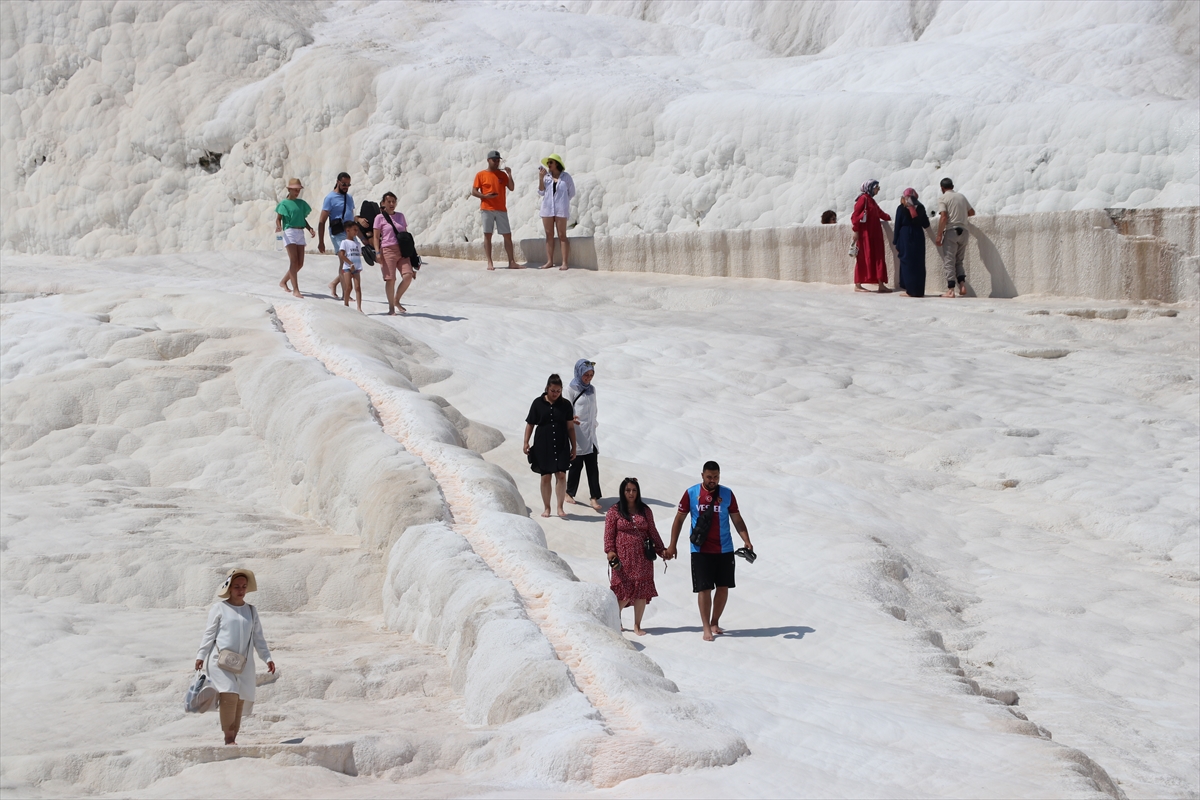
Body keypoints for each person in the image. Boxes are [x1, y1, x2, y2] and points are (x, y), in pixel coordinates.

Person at [665, 461, 753, 642]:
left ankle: (714, 622)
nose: (713, 480)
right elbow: (679, 519)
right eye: (709, 477)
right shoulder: (691, 493)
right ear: (702, 475)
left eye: (716, 477)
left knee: (723, 587)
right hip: (700, 549)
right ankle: (706, 627)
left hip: (724, 548)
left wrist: (746, 540)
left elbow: (736, 519)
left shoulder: (727, 494)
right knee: (704, 588)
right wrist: (672, 544)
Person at [194, 568, 275, 745]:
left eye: (244, 586)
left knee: (240, 698)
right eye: (237, 586)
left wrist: (267, 658)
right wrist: (201, 655)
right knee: (229, 694)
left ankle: (233, 736)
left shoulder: (251, 611)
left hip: (243, 663)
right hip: (219, 661)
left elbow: (258, 638)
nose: (241, 590)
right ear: (229, 587)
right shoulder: (219, 608)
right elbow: (209, 634)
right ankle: (228, 738)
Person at [604, 478, 667, 636]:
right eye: (627, 490)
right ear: (622, 492)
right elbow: (609, 535)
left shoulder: (645, 511)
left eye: (634, 490)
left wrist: (661, 550)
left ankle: (637, 625)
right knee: (623, 591)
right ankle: (615, 622)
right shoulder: (614, 511)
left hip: (643, 557)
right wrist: (610, 552)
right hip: (623, 558)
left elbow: (652, 531)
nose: (631, 493)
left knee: (641, 591)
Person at [523, 374, 576, 518]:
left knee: (561, 475)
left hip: (561, 444)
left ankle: (560, 507)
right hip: (543, 444)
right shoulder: (537, 403)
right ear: (547, 388)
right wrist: (526, 442)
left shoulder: (566, 405)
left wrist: (574, 447)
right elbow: (530, 424)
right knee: (545, 476)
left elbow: (570, 427)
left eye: (558, 391)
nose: (555, 394)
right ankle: (547, 508)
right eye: (553, 390)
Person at [472, 150, 518, 271]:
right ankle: (489, 262)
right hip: (487, 209)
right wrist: (485, 196)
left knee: (507, 235)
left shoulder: (502, 175)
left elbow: (512, 188)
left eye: (498, 160)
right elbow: (474, 191)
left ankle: (512, 262)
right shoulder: (480, 175)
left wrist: (509, 174)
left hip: (501, 209)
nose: (497, 162)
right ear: (488, 160)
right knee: (488, 235)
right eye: (494, 160)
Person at [565, 358, 601, 511]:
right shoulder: (570, 389)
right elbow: (565, 409)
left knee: (593, 466)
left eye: (591, 375)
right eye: (586, 375)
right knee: (576, 465)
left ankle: (594, 497)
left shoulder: (591, 389)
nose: (588, 378)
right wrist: (571, 419)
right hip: (577, 433)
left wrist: (593, 424)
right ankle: (569, 493)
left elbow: (594, 409)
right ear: (579, 373)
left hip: (590, 434)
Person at [372, 192, 414, 315]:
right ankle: (391, 307)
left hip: (402, 250)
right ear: (383, 203)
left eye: (393, 201)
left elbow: (406, 235)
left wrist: (412, 256)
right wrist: (377, 252)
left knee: (408, 276)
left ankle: (396, 300)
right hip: (387, 250)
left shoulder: (400, 216)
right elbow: (375, 237)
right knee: (390, 279)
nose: (391, 204)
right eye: (388, 201)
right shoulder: (379, 218)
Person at [934, 178, 976, 298]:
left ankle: (951, 290)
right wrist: (961, 214)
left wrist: (939, 235)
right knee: (959, 261)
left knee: (949, 261)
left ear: (942, 188)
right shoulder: (961, 196)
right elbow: (972, 212)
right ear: (952, 186)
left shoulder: (943, 198)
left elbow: (943, 217)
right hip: (964, 232)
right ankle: (962, 285)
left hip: (951, 231)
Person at [276, 178, 315, 298]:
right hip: (289, 231)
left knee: (300, 263)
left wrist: (310, 228)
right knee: (293, 261)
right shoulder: (283, 203)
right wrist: (278, 227)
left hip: (300, 231)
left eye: (298, 190)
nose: (297, 192)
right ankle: (296, 290)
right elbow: (278, 218)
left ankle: (283, 282)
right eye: (295, 190)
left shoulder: (301, 203)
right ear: (289, 189)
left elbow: (302, 219)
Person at [319, 172, 356, 298]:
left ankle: (334, 283)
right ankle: (346, 293)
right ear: (338, 182)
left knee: (353, 261)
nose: (346, 187)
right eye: (344, 184)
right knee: (345, 261)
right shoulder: (330, 198)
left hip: (351, 233)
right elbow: (322, 220)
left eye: (348, 184)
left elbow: (351, 216)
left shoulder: (349, 198)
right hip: (338, 233)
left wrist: (361, 236)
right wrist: (321, 241)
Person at [851, 180, 892, 293]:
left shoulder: (871, 200)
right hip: (865, 235)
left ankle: (881, 283)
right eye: (876, 187)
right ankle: (858, 285)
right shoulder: (863, 199)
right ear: (869, 187)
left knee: (878, 257)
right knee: (863, 257)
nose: (878, 189)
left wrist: (890, 218)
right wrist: (856, 230)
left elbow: (880, 213)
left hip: (874, 234)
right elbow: (855, 216)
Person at [537, 154, 576, 270]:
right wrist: (540, 178)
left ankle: (565, 262)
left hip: (561, 209)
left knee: (562, 235)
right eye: (548, 163)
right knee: (549, 235)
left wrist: (562, 201)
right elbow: (541, 191)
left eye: (550, 162)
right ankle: (549, 261)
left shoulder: (566, 177)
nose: (548, 165)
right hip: (547, 209)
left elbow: (572, 192)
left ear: (557, 164)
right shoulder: (546, 177)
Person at [893, 188, 931, 297]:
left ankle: (910, 290)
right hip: (918, 235)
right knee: (918, 262)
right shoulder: (921, 207)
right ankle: (919, 291)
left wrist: (895, 241)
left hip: (906, 236)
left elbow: (897, 225)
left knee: (907, 262)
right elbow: (926, 224)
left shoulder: (901, 208)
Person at [338, 220, 364, 312]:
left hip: (356, 268)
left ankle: (359, 308)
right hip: (347, 268)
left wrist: (357, 266)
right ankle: (346, 304)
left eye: (357, 230)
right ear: (348, 230)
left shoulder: (358, 244)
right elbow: (341, 255)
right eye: (354, 230)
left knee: (358, 287)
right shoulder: (344, 242)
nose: (356, 232)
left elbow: (358, 255)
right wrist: (350, 263)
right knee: (348, 287)